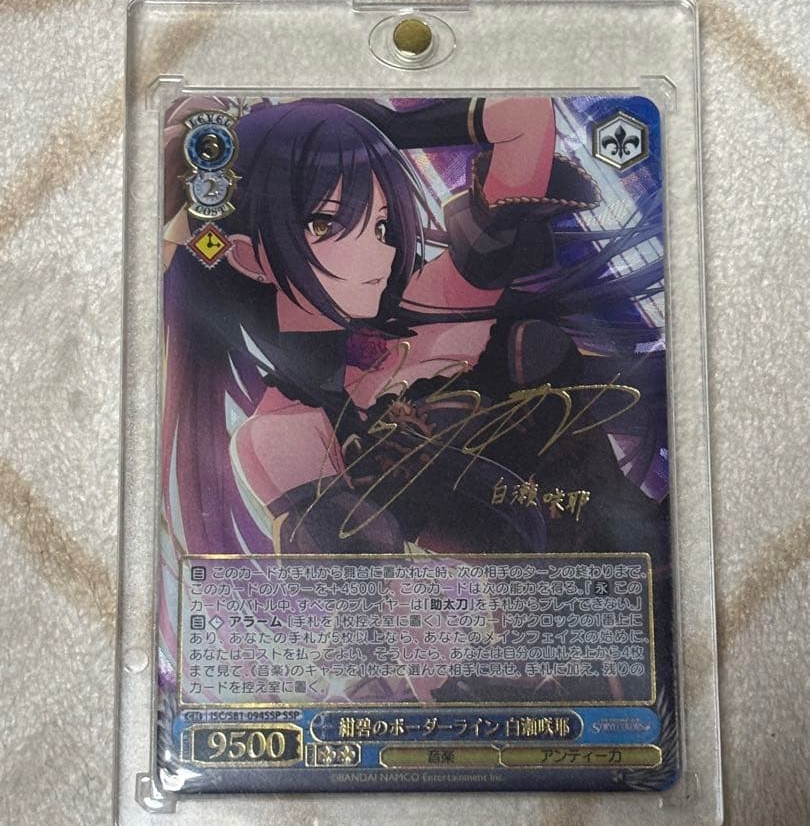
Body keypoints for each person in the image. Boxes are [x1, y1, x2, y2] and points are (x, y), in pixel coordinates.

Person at [162, 96, 667, 563]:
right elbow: (368, 592)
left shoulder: (437, 300)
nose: (377, 253)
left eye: (383, 226)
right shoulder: (284, 431)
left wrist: (380, 128)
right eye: (327, 225)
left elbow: (523, 120)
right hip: (548, 617)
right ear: (250, 257)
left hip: (666, 561)